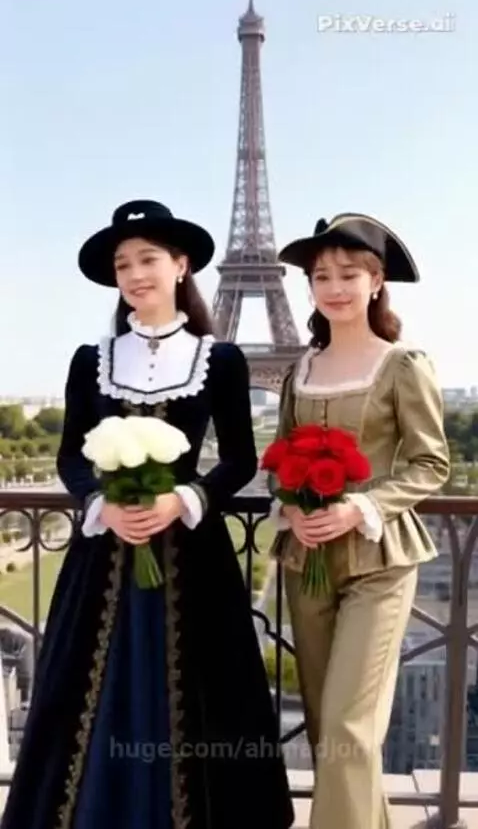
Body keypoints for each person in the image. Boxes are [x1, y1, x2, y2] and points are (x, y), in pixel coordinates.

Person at [2, 200, 294, 829]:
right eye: (122, 264)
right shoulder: (91, 359)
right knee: (89, 684)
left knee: (195, 687)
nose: (135, 274)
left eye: (148, 259)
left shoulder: (221, 360)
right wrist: (100, 502)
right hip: (105, 550)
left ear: (181, 266)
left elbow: (240, 459)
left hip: (190, 550)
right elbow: (71, 457)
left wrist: (182, 498)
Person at [268, 213, 450, 829]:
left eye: (350, 273)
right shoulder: (301, 369)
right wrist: (291, 505)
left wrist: (360, 505)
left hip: (379, 556)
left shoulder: (402, 364)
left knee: (350, 721)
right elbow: (278, 462)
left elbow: (431, 464)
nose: (335, 287)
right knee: (328, 724)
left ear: (377, 281)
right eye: (322, 276)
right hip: (306, 558)